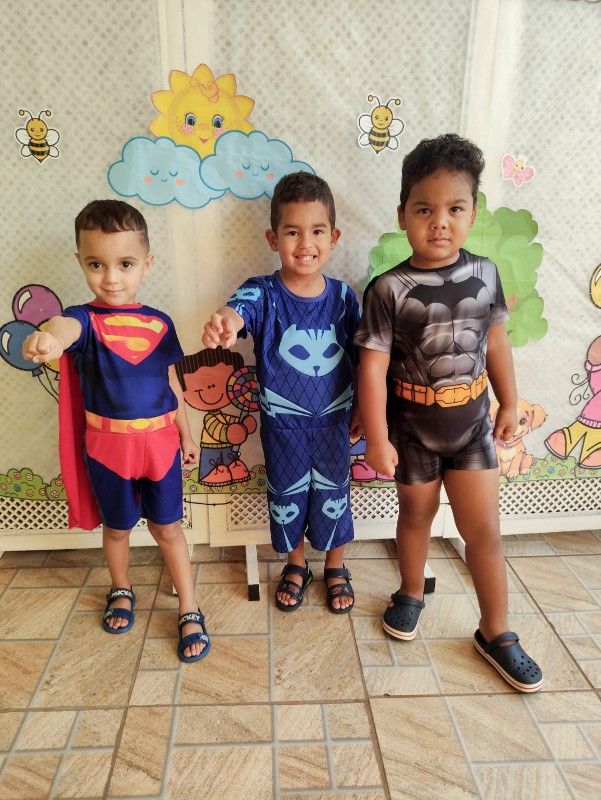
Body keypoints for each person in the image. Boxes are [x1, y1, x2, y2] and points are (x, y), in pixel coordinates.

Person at [355, 134, 543, 692]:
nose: (440, 222)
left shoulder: (486, 273)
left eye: (455, 209)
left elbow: (497, 341)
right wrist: (377, 438)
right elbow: (371, 368)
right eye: (424, 209)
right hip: (412, 429)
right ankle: (411, 591)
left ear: (472, 213)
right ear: (402, 215)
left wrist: (510, 401)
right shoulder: (387, 289)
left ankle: (496, 630)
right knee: (414, 516)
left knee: (483, 531)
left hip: (472, 426)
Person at [22, 199, 210, 663]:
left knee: (169, 528)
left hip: (161, 445)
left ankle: (189, 606)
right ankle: (121, 588)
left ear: (147, 263)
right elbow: (63, 327)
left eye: (125, 264)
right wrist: (48, 336)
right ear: (80, 262)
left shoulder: (161, 322)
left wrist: (187, 436)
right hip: (108, 449)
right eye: (96, 264)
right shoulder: (83, 320)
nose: (111, 277)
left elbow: (172, 382)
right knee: (118, 528)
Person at [202, 172, 360, 613]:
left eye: (317, 231)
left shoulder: (345, 299)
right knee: (285, 496)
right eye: (292, 232)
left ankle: (335, 565)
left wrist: (366, 410)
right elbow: (237, 311)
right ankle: (296, 564)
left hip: (334, 423)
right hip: (282, 429)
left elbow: (365, 358)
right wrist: (225, 323)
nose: (305, 243)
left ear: (334, 237)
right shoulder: (263, 291)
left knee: (334, 494)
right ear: (274, 239)